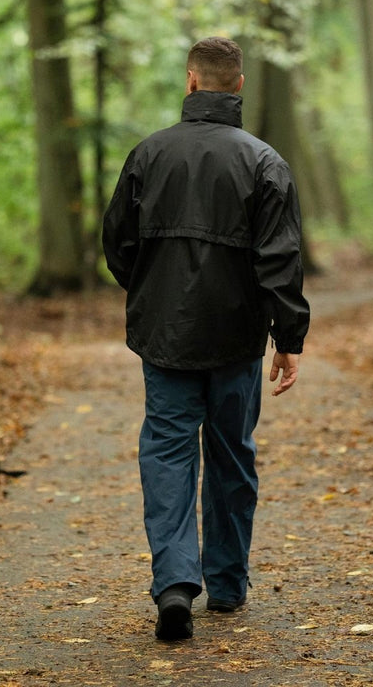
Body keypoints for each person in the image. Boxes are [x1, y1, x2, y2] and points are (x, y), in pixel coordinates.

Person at [102, 36, 310, 641]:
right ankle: (226, 583)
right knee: (230, 452)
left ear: (191, 83)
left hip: (165, 335)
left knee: (167, 451)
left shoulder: (148, 155)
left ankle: (173, 584)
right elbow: (282, 260)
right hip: (237, 337)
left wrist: (149, 292)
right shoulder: (264, 162)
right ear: (238, 86)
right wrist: (287, 335)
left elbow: (118, 244)